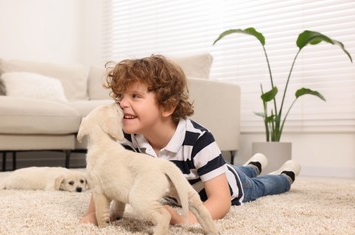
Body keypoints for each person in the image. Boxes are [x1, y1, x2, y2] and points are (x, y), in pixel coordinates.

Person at [80, 54, 301, 225]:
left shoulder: (199, 140)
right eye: (120, 96)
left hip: (232, 185)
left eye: (135, 96)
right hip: (207, 176)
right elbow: (107, 178)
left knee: (258, 184)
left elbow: (221, 201)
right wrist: (93, 213)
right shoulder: (127, 137)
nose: (122, 103)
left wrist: (189, 220)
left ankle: (284, 176)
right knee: (233, 168)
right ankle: (253, 165)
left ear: (167, 106)